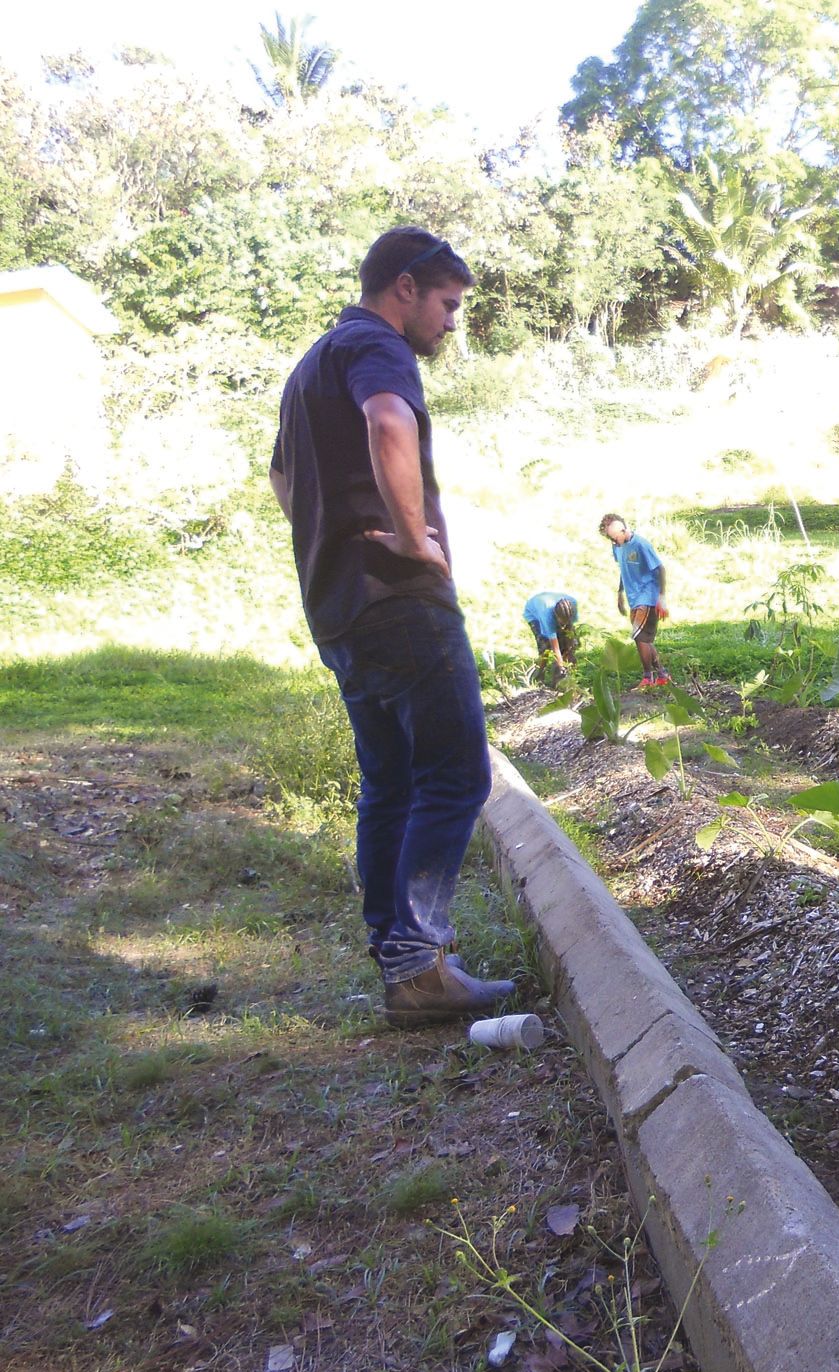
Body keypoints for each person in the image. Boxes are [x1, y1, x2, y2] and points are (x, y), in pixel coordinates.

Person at [269, 225, 515, 1029]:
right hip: (399, 600)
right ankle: (417, 962)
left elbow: (280, 476)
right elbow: (386, 422)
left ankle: (400, 961)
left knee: (391, 783)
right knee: (457, 775)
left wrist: (333, 539)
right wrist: (412, 539)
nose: (451, 321)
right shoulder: (378, 346)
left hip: (337, 604)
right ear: (404, 287)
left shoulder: (312, 364)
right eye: (447, 302)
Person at [599, 514, 668, 688]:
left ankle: (648, 678)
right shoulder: (617, 547)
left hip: (648, 596)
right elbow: (624, 570)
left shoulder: (641, 544)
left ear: (623, 530)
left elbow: (660, 569)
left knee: (639, 636)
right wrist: (620, 593)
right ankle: (662, 675)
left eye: (614, 538)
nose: (613, 542)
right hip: (633, 598)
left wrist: (662, 597)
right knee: (644, 638)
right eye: (610, 539)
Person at [522, 592, 580, 684]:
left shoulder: (573, 606)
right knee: (545, 647)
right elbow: (555, 646)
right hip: (534, 614)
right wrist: (561, 667)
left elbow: (570, 633)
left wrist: (569, 650)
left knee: (570, 644)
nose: (563, 626)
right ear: (555, 615)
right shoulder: (547, 616)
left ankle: (560, 679)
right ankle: (539, 676)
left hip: (549, 603)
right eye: (561, 622)